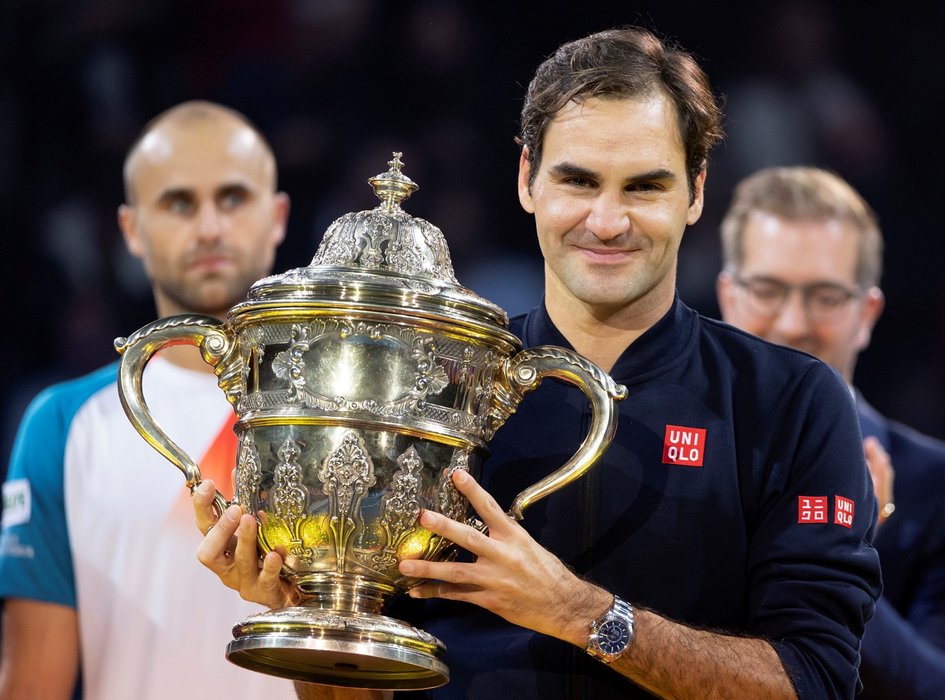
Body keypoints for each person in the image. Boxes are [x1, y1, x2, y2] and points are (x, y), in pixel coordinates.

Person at [195, 28, 882, 699]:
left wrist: (582, 614)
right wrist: (308, 619)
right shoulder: (434, 383)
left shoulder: (791, 400)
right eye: (578, 180)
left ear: (696, 192)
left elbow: (817, 680)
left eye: (644, 187)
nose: (607, 221)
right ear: (527, 179)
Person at [0, 101, 295, 699]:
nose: (210, 226)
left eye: (233, 198)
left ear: (277, 217)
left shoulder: (347, 416)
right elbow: (32, 685)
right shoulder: (61, 427)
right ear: (131, 229)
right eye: (179, 203)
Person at [715, 165, 945, 699]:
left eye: (825, 297)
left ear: (867, 313)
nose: (793, 322)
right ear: (728, 297)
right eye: (768, 290)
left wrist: (843, 561)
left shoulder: (944, 486)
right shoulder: (663, 448)